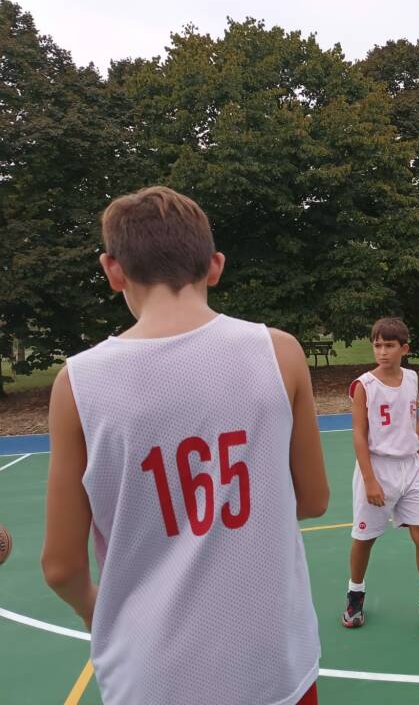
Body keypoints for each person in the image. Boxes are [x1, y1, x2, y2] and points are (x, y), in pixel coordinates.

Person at [42, 186, 328, 705]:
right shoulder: (279, 353)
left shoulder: (78, 383)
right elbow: (313, 499)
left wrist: (95, 612)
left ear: (113, 270)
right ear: (214, 265)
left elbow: (61, 566)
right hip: (273, 664)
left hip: (153, 676)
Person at [343, 317, 419, 634]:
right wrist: (369, 479)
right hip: (378, 469)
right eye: (377, 344)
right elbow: (358, 435)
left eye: (389, 345)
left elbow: (415, 421)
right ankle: (355, 593)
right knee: (365, 539)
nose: (382, 351)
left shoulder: (411, 378)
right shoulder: (364, 386)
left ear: (404, 348)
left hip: (409, 468)